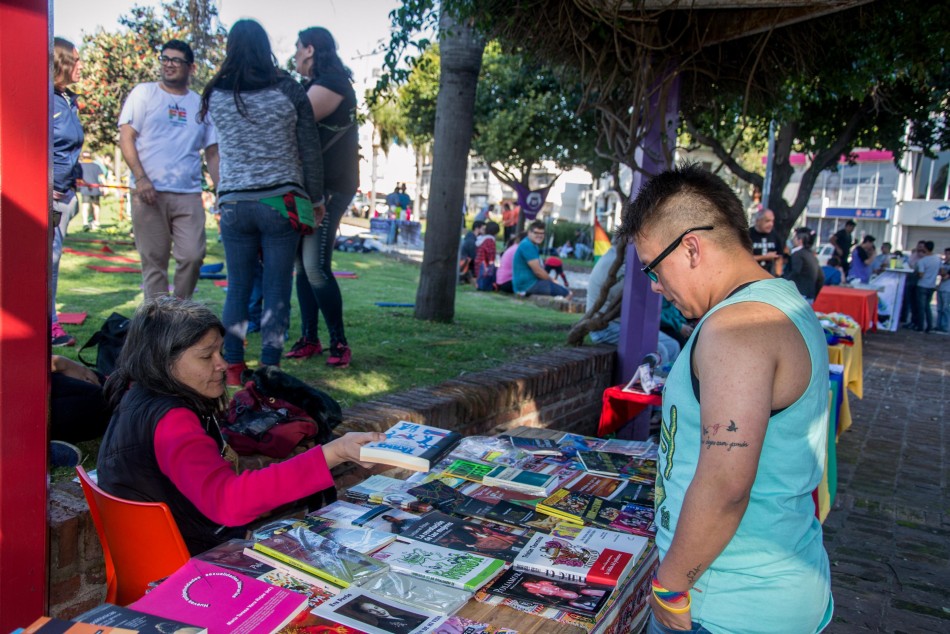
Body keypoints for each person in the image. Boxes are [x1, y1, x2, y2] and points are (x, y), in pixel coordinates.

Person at [618, 163, 831, 634]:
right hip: (776, 583)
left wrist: (670, 587)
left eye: (655, 268)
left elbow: (726, 483)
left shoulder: (738, 328)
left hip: (727, 605)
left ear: (690, 247)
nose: (655, 285)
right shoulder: (784, 304)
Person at [96, 297, 383, 555]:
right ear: (163, 361)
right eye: (207, 356)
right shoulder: (172, 422)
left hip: (161, 551)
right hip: (183, 567)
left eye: (221, 351)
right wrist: (334, 452)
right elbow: (229, 502)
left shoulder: (138, 396)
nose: (222, 364)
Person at [200, 20, 326, 385]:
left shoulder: (217, 93)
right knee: (276, 288)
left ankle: (234, 368)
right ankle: (270, 367)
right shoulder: (287, 89)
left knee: (237, 287)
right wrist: (315, 199)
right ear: (264, 47)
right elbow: (310, 149)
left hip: (235, 203)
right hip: (280, 202)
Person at [118, 39, 219, 301]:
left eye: (176, 60)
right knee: (154, 262)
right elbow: (126, 136)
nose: (169, 64)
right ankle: (158, 322)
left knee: (193, 255)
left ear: (191, 68)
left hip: (188, 193)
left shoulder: (201, 104)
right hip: (148, 191)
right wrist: (141, 179)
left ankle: (179, 312)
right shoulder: (144, 93)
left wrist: (221, 190)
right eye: (165, 59)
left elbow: (212, 152)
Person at [287, 27, 359, 368]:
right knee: (303, 267)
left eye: (298, 48)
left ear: (311, 49)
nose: (295, 54)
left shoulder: (331, 83)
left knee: (315, 267)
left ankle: (339, 343)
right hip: (311, 188)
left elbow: (293, 120)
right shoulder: (315, 84)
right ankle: (309, 339)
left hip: (330, 188)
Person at [586, 245, 680, 363]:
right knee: (658, 350)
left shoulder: (621, 258)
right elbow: (639, 302)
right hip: (606, 329)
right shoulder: (617, 264)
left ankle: (668, 379)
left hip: (621, 324)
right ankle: (654, 381)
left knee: (673, 346)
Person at [51, 37, 85, 348]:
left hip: (65, 196)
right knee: (46, 260)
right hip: (47, 196)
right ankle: (47, 324)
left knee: (53, 260)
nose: (81, 65)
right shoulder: (45, 97)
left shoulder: (66, 100)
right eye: (75, 60)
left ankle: (47, 320)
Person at [512, 220, 572, 299]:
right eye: (536, 233)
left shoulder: (531, 244)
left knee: (562, 291)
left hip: (529, 283)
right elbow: (538, 272)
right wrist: (552, 281)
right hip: (528, 285)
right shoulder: (527, 245)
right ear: (529, 233)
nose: (539, 236)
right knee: (568, 293)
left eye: (542, 233)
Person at [783, 227, 824, 302]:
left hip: (797, 295)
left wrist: (782, 285)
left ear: (800, 241)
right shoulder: (812, 255)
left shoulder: (797, 254)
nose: (793, 239)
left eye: (795, 237)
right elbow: (821, 277)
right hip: (809, 295)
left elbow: (795, 272)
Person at [913, 241, 941, 333]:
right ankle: (929, 326)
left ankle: (920, 326)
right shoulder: (937, 259)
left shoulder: (922, 261)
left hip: (922, 285)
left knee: (921, 307)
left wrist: (917, 273)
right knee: (927, 306)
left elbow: (920, 274)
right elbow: (940, 271)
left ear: (925, 248)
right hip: (932, 285)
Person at [748, 208, 781, 274]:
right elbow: (742, 260)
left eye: (772, 221)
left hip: (768, 275)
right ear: (758, 221)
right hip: (750, 275)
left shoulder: (774, 235)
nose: (771, 224)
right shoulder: (747, 235)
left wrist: (778, 276)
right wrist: (764, 257)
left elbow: (779, 257)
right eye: (767, 221)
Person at [78, 151, 105, 231]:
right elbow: (102, 178)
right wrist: (104, 188)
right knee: (96, 206)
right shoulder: (96, 166)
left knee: (85, 206)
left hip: (85, 188)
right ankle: (96, 222)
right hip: (95, 188)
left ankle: (85, 223)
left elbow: (78, 179)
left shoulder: (79, 166)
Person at [474, 220, 500, 288]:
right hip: (484, 265)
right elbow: (491, 256)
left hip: (478, 264)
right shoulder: (490, 240)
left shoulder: (482, 239)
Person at [936, 248, 950, 334]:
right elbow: (939, 273)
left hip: (947, 289)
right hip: (941, 288)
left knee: (945, 308)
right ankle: (939, 325)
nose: (947, 256)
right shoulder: (944, 264)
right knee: (939, 308)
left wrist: (943, 271)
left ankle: (945, 326)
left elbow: (945, 276)